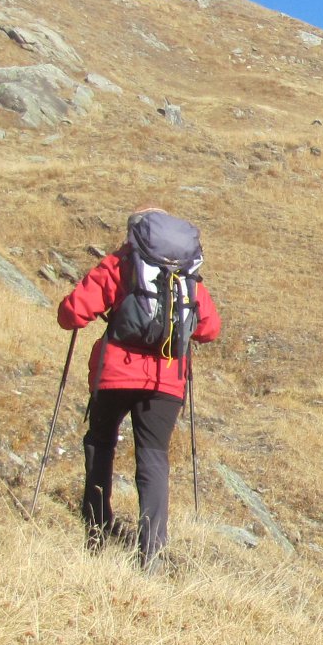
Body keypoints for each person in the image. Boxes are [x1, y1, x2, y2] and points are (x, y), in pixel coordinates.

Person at [56, 209, 221, 564]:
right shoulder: (185, 274)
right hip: (167, 381)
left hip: (115, 372)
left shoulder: (121, 264)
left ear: (135, 233)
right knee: (153, 457)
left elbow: (72, 314)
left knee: (100, 444)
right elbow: (209, 329)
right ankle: (151, 552)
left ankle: (97, 532)